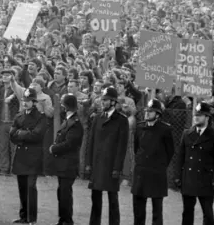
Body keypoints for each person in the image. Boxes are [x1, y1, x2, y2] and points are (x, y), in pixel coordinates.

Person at [84, 86, 129, 225]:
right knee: (95, 198)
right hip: (97, 164)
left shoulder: (122, 120)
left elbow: (122, 147)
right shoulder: (97, 118)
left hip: (111, 165)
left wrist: (117, 168)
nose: (103, 102)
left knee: (112, 199)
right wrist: (88, 163)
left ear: (114, 102)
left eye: (106, 100)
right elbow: (91, 142)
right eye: (102, 100)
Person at [174, 102, 214, 225]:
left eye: (200, 115)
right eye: (196, 115)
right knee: (187, 212)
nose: (196, 117)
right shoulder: (187, 133)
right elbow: (180, 156)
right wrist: (177, 176)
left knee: (207, 213)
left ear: (207, 117)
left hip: (206, 179)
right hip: (189, 178)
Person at [132, 98, 174, 225]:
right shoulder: (139, 127)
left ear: (158, 114)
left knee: (157, 209)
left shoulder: (165, 130)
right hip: (141, 172)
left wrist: (159, 165)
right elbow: (136, 148)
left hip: (157, 173)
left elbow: (170, 151)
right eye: (146, 111)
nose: (147, 113)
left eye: (151, 112)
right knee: (138, 208)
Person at [10, 88, 47, 224]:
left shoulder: (40, 117)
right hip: (21, 156)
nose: (25, 103)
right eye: (24, 100)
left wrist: (22, 134)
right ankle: (23, 216)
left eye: (28, 101)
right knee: (22, 187)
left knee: (31, 187)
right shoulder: (19, 116)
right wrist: (25, 133)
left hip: (33, 156)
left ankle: (32, 218)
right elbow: (12, 134)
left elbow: (37, 135)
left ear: (34, 102)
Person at [49, 94, 84, 225]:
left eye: (63, 105)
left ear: (66, 106)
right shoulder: (68, 121)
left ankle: (67, 220)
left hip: (68, 163)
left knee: (65, 193)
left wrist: (54, 148)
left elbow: (70, 143)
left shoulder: (75, 123)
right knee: (61, 192)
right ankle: (63, 218)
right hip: (63, 163)